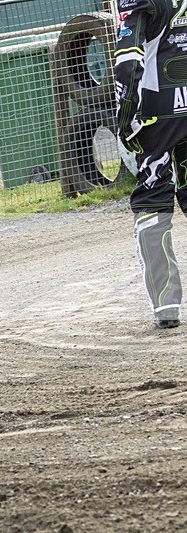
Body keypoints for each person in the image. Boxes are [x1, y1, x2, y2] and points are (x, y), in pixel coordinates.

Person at [115, 0, 186, 328]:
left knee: (153, 201)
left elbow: (128, 62)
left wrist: (125, 117)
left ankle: (166, 308)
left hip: (156, 114)